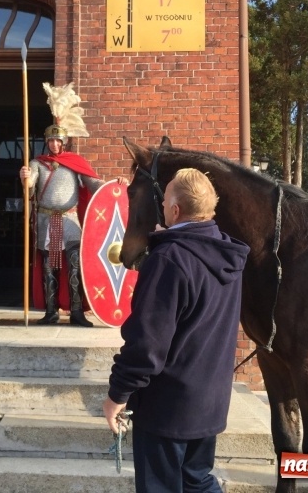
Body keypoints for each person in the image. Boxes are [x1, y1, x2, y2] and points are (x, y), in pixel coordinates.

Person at [102, 168, 250, 493]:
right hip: (208, 401)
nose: (163, 205)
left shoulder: (169, 259)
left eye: (165, 198)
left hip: (167, 408)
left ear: (175, 210)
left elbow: (147, 345)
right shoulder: (225, 254)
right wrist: (166, 240)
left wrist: (118, 393)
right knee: (197, 482)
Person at [19, 82, 126, 327]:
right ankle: (51, 311)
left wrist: (115, 185)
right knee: (51, 269)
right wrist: (25, 178)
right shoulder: (37, 163)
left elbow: (94, 184)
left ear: (64, 142)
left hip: (69, 221)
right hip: (50, 222)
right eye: (51, 140)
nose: (54, 144)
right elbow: (30, 190)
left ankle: (77, 312)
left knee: (75, 268)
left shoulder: (74, 162)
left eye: (58, 140)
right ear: (47, 142)